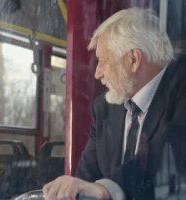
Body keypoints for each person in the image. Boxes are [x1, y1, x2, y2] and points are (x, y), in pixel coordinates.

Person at [43, 7, 186, 200]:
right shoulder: (104, 109)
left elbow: (172, 153)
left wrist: (109, 189)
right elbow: (86, 178)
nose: (97, 73)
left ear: (133, 60)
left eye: (102, 61)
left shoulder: (181, 88)